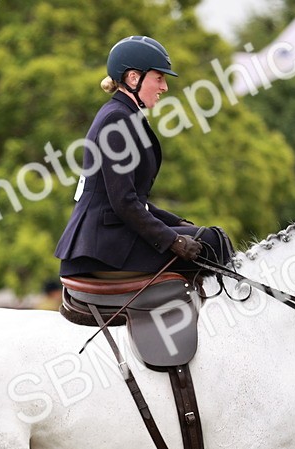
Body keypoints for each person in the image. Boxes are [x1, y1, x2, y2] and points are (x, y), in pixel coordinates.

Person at [55, 36, 230, 280]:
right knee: (213, 242)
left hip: (110, 238)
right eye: (159, 78)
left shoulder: (125, 115)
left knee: (207, 236)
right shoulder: (116, 119)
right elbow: (124, 202)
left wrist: (178, 223)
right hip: (102, 247)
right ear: (133, 78)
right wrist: (173, 240)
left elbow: (138, 201)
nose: (164, 87)